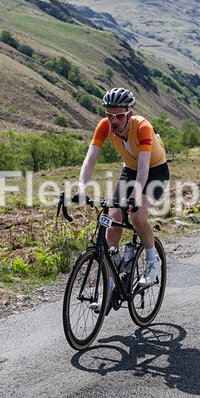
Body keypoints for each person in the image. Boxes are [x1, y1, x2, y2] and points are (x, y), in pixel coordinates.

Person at [76, 88, 169, 296]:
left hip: (155, 171)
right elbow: (90, 159)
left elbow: (144, 169)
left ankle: (152, 261)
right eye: (110, 115)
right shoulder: (104, 126)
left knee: (137, 215)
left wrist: (135, 196)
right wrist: (82, 187)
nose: (114, 121)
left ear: (129, 113)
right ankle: (113, 273)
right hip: (130, 171)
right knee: (112, 218)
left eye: (119, 116)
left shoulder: (142, 127)